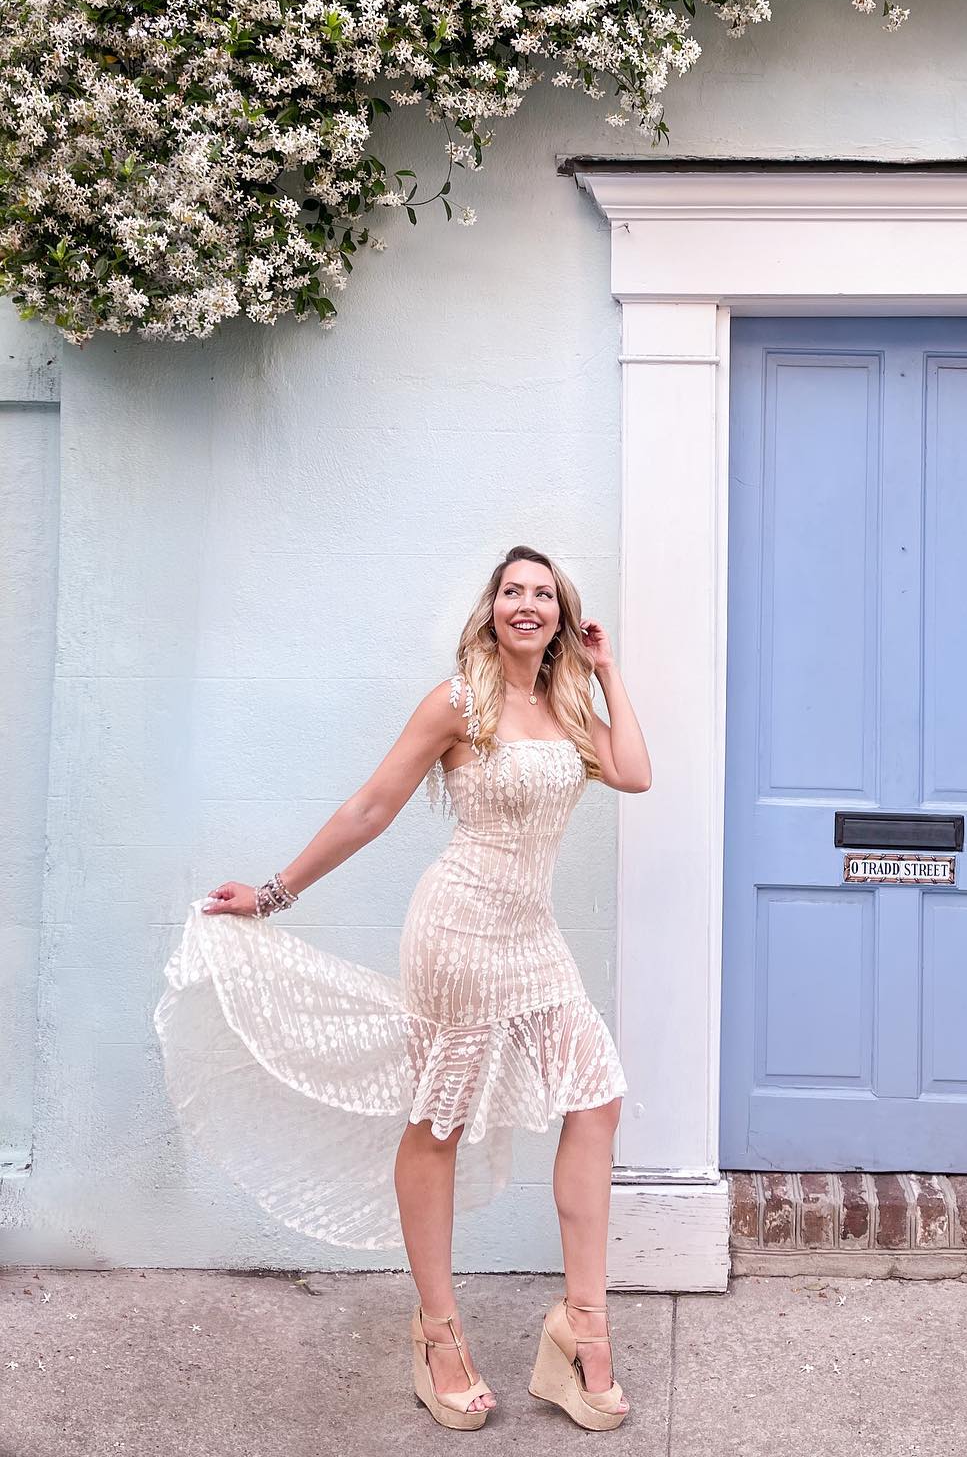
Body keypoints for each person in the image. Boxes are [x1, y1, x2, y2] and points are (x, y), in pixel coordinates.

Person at [153, 544, 650, 1432]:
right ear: (491, 610)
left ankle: (583, 1331)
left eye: (543, 594)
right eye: (512, 591)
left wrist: (607, 672)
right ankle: (438, 1335)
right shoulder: (459, 702)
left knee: (597, 1098)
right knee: (440, 1122)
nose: (526, 604)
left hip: (532, 936)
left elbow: (635, 773)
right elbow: (371, 808)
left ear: (562, 616)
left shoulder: (571, 707)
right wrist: (272, 894)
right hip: (457, 933)